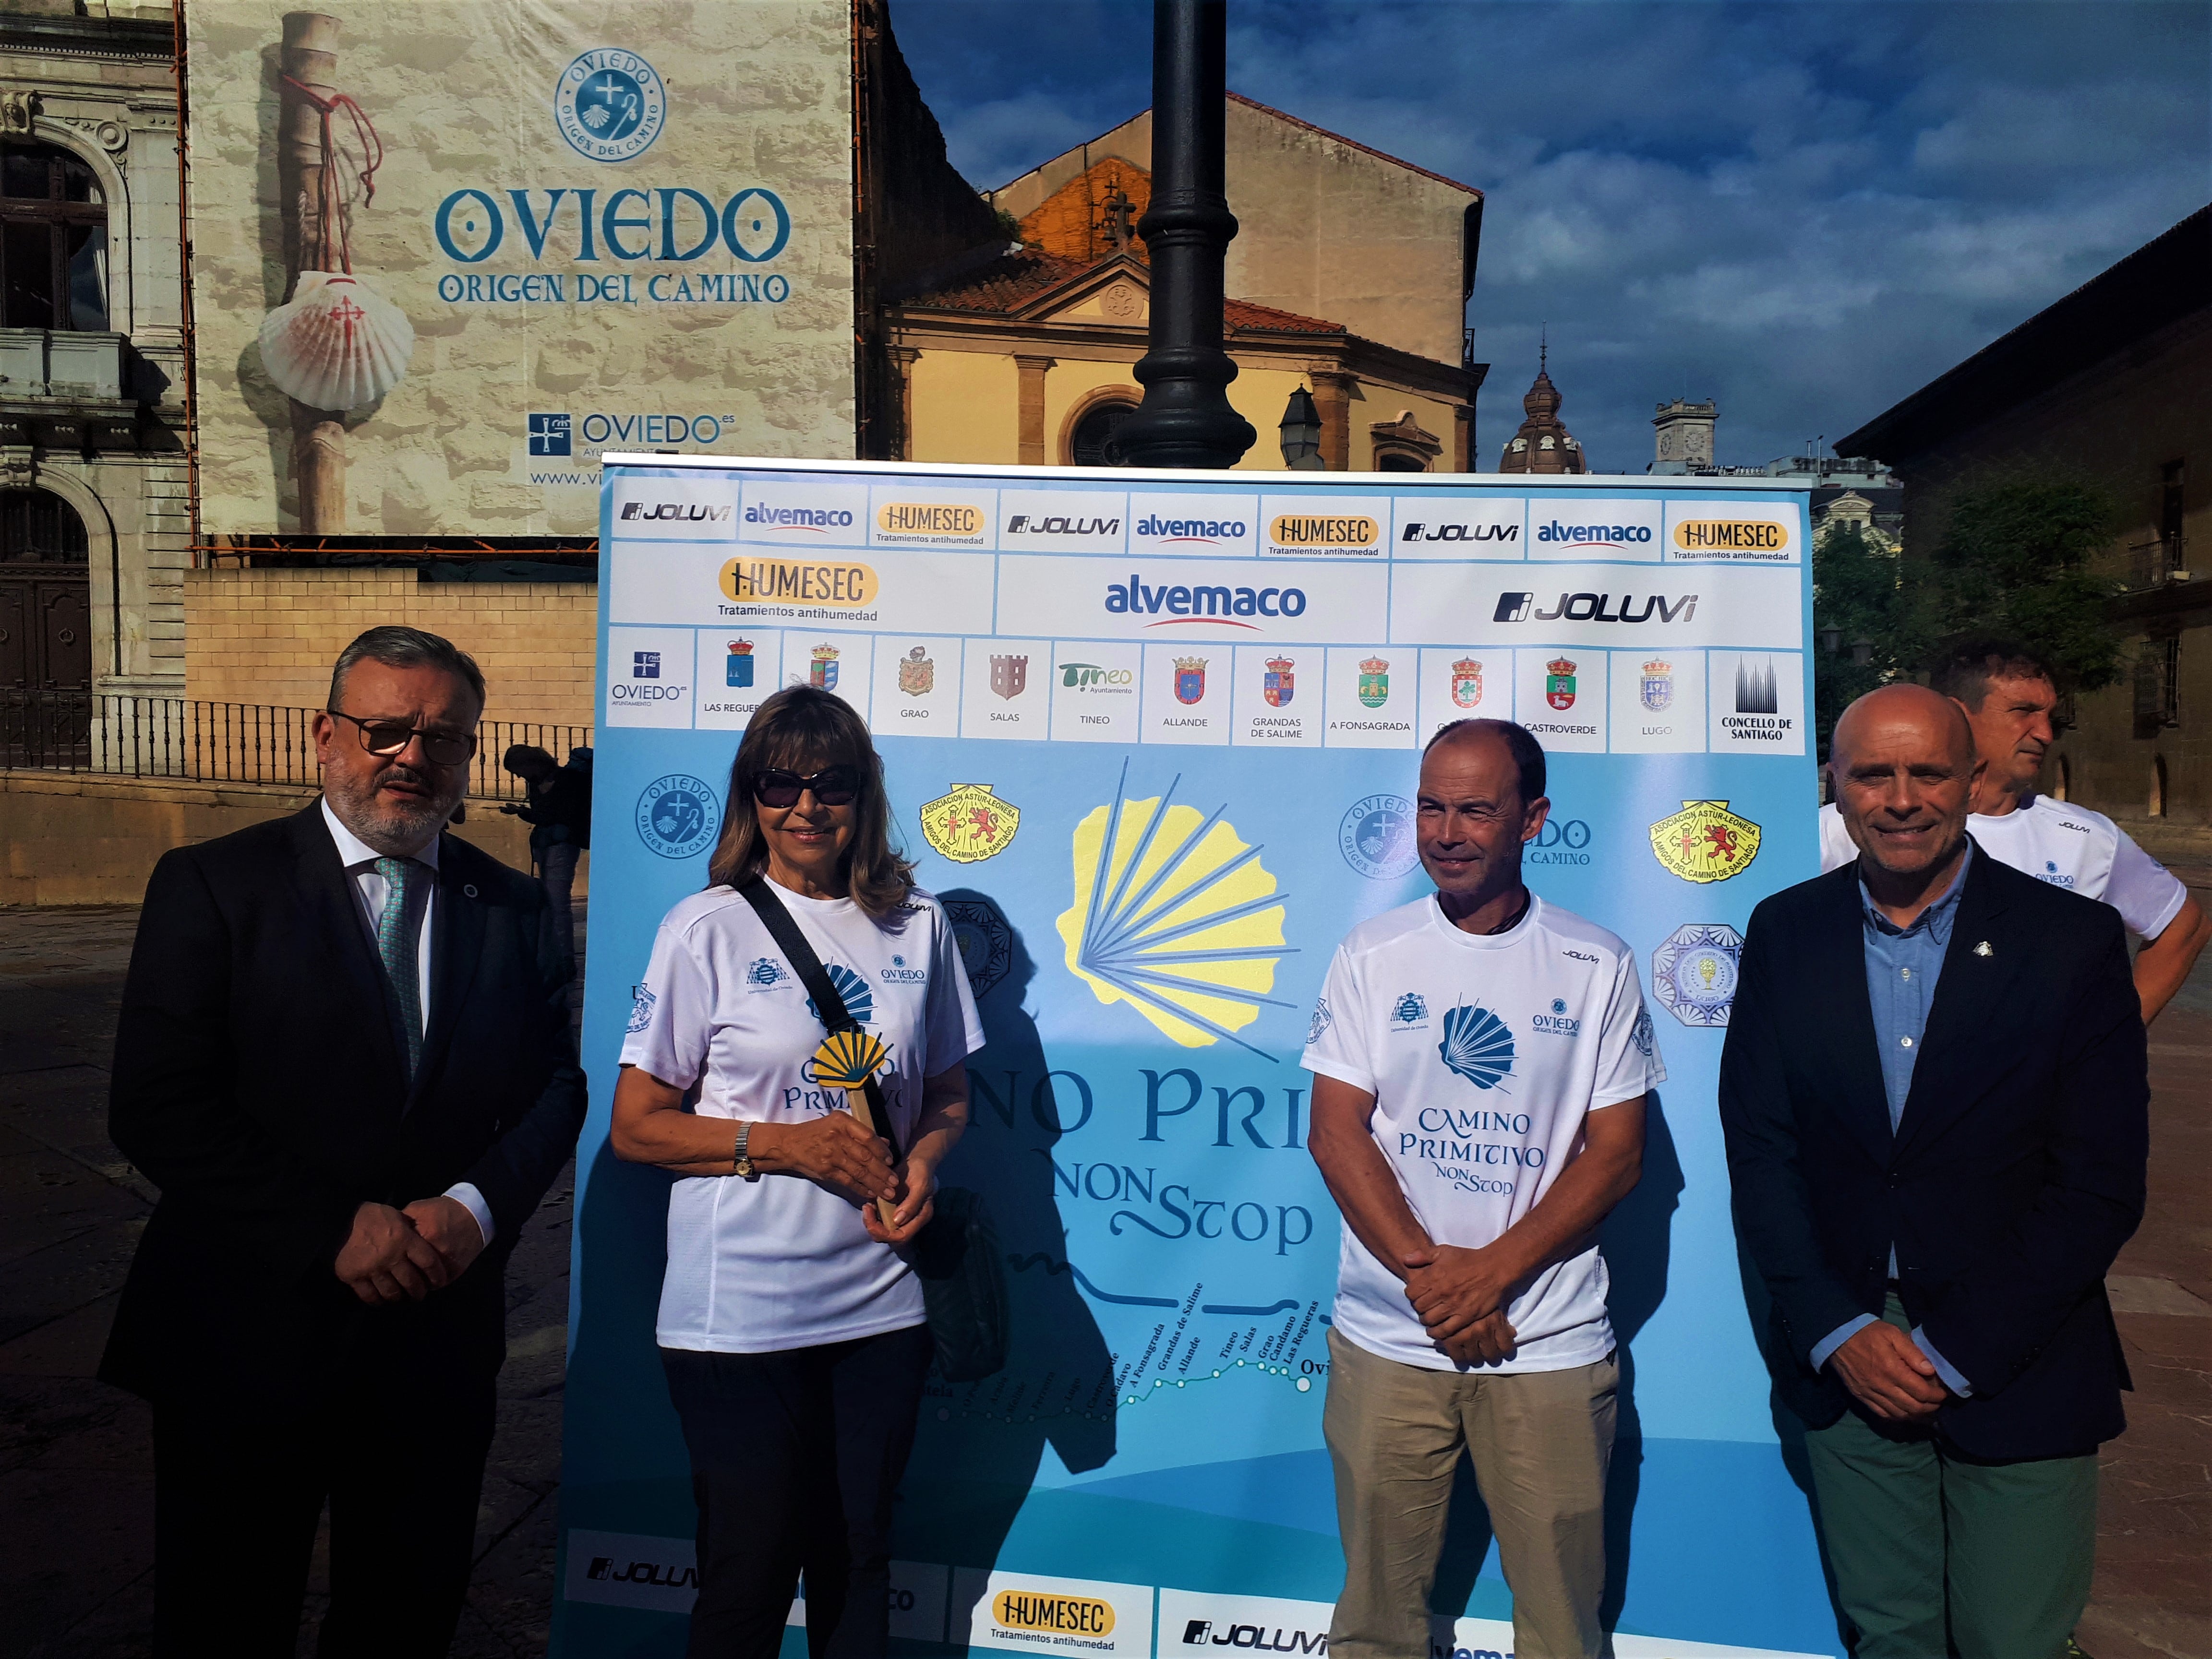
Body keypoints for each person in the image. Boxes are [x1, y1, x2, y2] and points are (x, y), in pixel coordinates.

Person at [102, 625, 588, 1656]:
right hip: (245, 1335)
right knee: (224, 1619)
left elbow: (557, 1084)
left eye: (444, 740)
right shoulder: (214, 884)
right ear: (327, 737)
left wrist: (477, 1208)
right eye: (385, 731)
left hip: (433, 1346)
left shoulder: (507, 908)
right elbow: (156, 1103)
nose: (412, 758)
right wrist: (331, 1229)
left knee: (404, 1621)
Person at [1724, 684, 2148, 1659]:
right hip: (1851, 1351)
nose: (1902, 798)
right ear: (1836, 785)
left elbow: (2099, 1181)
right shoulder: (1786, 932)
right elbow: (1762, 1151)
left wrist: (1954, 1350)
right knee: (1893, 1637)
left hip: (2021, 1349)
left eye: (1928, 773)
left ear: (1971, 780)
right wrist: (1840, 1329)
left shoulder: (2071, 942)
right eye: (1874, 774)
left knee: (2017, 1643)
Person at [611, 684, 983, 1659]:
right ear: (751, 796)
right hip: (736, 1316)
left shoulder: (921, 926)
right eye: (782, 783)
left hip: (881, 1311)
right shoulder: (707, 929)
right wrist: (787, 1146)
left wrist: (926, 1168)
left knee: (859, 1565)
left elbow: (946, 1093)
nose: (807, 806)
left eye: (834, 783)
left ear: (865, 796)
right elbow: (637, 1128)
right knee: (748, 1576)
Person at [1302, 718, 1661, 1659]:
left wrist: (1489, 1277)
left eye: (1474, 810)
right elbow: (1336, 1133)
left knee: (1560, 1633)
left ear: (1533, 819)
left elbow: (1617, 1156)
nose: (1446, 832)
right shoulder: (1372, 955)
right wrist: (1434, 1281)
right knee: (1375, 1629)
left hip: (1544, 1345)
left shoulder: (1597, 964)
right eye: (1430, 807)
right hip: (1390, 1337)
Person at [1818, 638, 2208, 1021]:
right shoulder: (1848, 828)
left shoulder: (2086, 839)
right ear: (1957, 714)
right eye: (2024, 711)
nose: (2045, 733)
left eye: (2049, 716)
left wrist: (2111, 1039)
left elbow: (2184, 927)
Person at [501, 741, 593, 982]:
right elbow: (544, 815)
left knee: (558, 902)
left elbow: (562, 813)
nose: (519, 775)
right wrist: (523, 812)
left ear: (532, 762)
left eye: (519, 769)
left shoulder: (568, 779)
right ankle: (558, 957)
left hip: (563, 844)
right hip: (546, 843)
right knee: (552, 902)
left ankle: (565, 960)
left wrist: (525, 812)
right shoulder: (536, 783)